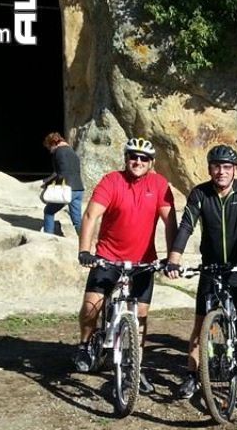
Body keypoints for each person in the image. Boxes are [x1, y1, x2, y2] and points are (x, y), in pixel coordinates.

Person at [164, 144, 237, 399]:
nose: (221, 172)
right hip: (211, 269)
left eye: (227, 167)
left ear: (235, 170)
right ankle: (192, 376)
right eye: (216, 166)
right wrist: (174, 260)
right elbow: (185, 227)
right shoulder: (200, 194)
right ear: (209, 169)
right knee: (199, 326)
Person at [73, 137, 176, 395]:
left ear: (151, 163)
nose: (137, 161)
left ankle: (135, 367)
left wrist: (171, 256)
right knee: (90, 306)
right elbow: (91, 215)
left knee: (140, 314)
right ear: (126, 158)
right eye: (133, 156)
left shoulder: (160, 185)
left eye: (143, 158)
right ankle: (85, 344)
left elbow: (170, 222)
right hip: (107, 257)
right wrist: (84, 251)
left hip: (143, 261)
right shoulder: (111, 181)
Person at [41, 132, 85, 236]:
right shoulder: (72, 151)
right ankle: (84, 242)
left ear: (53, 144)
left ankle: (48, 237)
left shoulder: (59, 152)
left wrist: (46, 182)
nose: (49, 151)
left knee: (48, 211)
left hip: (67, 190)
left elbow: (60, 173)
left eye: (49, 147)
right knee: (77, 220)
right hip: (79, 188)